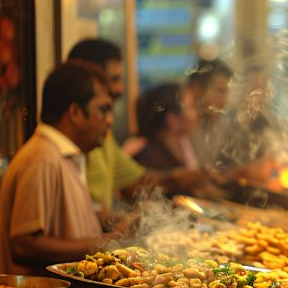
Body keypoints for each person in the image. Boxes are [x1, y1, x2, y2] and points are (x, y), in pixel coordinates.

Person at [0, 63, 114, 275]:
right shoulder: (42, 158)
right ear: (75, 112)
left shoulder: (65, 155)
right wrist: (105, 243)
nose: (109, 121)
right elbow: (23, 245)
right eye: (102, 110)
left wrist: (108, 222)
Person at [67, 39, 208, 220]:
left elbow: (136, 183)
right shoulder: (60, 148)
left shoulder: (104, 136)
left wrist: (180, 178)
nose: (120, 89)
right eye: (114, 79)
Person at [133, 83, 200, 173]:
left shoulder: (183, 145)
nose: (197, 113)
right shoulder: (150, 158)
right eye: (191, 107)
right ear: (172, 119)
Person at [184, 58, 233, 167]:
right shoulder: (178, 129)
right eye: (220, 91)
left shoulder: (218, 125)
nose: (225, 101)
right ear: (197, 89)